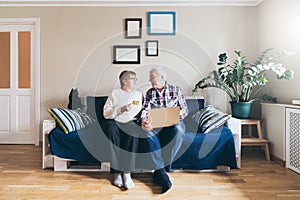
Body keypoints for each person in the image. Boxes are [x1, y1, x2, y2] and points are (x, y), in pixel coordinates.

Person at [140, 67, 188, 193]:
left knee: (179, 129)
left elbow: (185, 110)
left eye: (152, 76)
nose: (149, 79)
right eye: (150, 77)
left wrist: (172, 118)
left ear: (162, 78)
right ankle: (161, 171)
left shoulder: (176, 90)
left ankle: (161, 170)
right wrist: (145, 121)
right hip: (156, 126)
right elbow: (145, 110)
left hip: (173, 123)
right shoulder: (150, 92)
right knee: (146, 132)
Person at [103, 70, 143, 190]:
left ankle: (127, 173)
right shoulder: (115, 93)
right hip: (115, 121)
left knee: (134, 133)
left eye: (136, 78)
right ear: (124, 81)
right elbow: (105, 112)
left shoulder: (138, 94)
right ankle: (117, 173)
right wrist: (121, 109)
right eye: (132, 78)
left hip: (131, 122)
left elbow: (143, 110)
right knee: (111, 132)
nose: (135, 80)